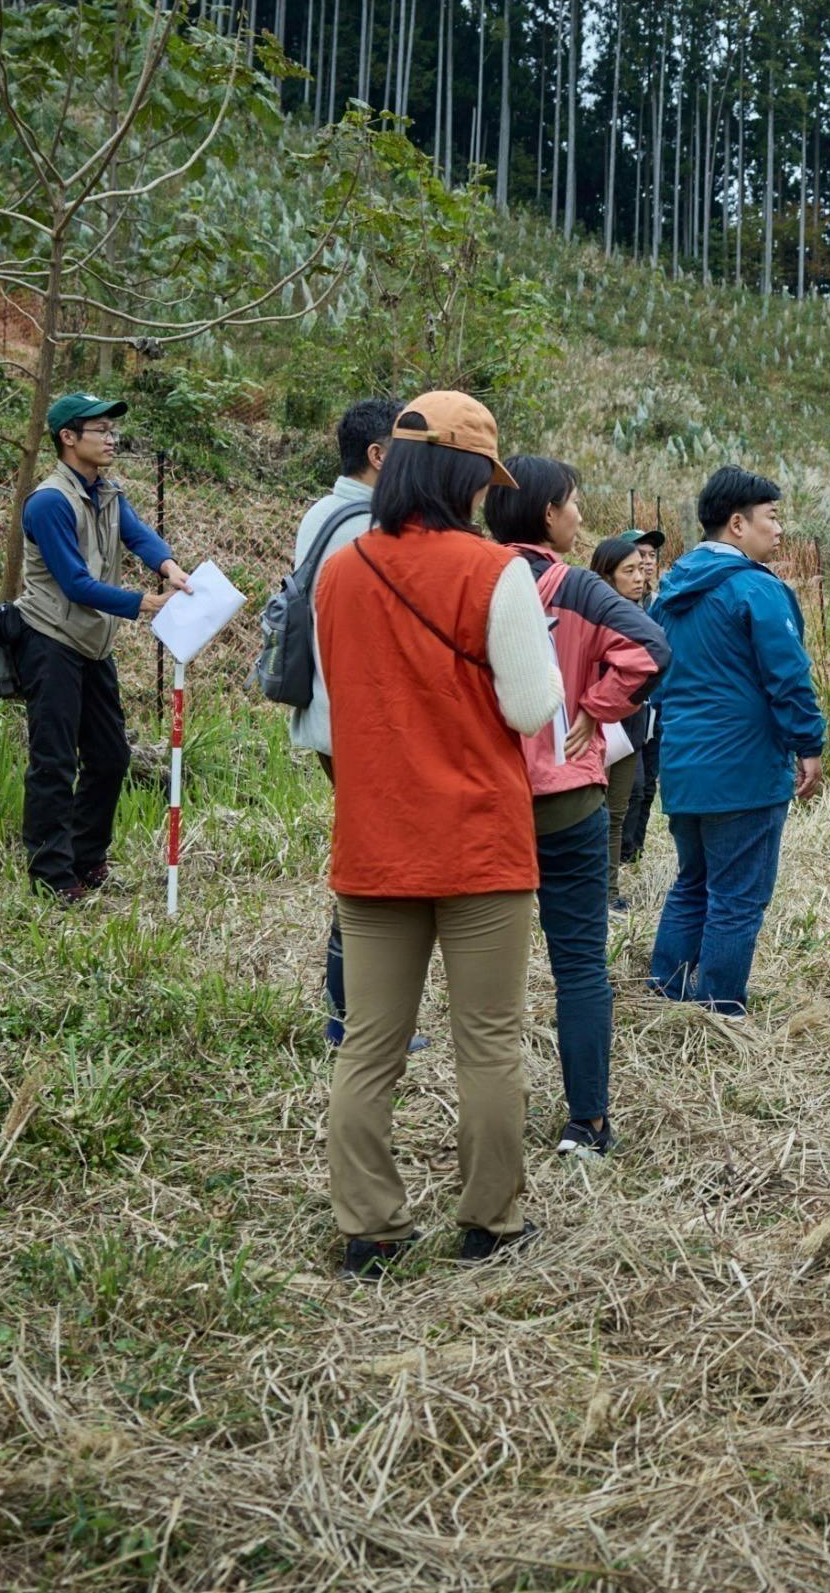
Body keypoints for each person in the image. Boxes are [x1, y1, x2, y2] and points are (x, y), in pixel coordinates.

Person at [313, 391, 564, 1277]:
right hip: (479, 844)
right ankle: (489, 1223)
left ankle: (369, 1228)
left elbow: (342, 702)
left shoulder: (340, 571)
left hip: (375, 840)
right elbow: (531, 705)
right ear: (465, 476)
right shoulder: (493, 572)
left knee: (369, 1042)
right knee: (489, 1039)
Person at [484, 463, 668, 1158]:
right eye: (571, 502)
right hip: (566, 797)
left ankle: (493, 1128)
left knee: (486, 972)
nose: (578, 512)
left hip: (483, 798)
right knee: (580, 964)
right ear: (545, 513)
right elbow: (650, 650)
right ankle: (587, 1122)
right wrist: (596, 709)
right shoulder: (576, 587)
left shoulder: (470, 576)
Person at [646, 469, 825, 1015]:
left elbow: (651, 672)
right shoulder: (757, 590)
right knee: (737, 897)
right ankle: (719, 1008)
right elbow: (789, 676)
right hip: (743, 768)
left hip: (683, 764)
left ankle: (666, 988)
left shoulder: (671, 590)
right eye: (771, 517)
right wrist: (808, 743)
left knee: (693, 881)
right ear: (737, 523)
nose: (779, 529)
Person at [14, 391, 190, 902]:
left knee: (111, 756)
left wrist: (170, 568)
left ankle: (88, 859)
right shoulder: (49, 501)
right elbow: (74, 583)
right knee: (53, 761)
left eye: (114, 430)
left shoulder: (106, 490)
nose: (113, 439)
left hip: (92, 644)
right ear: (68, 438)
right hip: (49, 640)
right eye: (101, 430)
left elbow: (138, 536)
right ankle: (52, 875)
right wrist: (145, 602)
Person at [293, 397, 399, 1046]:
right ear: (378, 455)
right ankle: (352, 1013)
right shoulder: (364, 523)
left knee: (368, 854)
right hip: (357, 718)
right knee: (372, 860)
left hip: (328, 712)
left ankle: (352, 1009)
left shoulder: (323, 512)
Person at [589, 529, 665, 892]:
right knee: (593, 814)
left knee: (619, 810)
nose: (639, 577)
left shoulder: (643, 612)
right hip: (593, 728)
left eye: (642, 569)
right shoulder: (591, 619)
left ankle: (610, 891)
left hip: (630, 729)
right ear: (606, 575)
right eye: (629, 571)